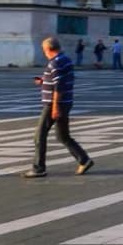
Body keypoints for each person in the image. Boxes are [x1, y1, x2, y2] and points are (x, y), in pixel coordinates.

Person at [23, 36, 93, 179]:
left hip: (54, 104)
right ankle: (84, 160)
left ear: (48, 49)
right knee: (63, 136)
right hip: (66, 102)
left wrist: (55, 107)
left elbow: (59, 86)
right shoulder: (65, 59)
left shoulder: (54, 63)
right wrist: (43, 81)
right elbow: (59, 80)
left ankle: (39, 168)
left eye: (43, 50)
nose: (43, 52)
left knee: (39, 136)